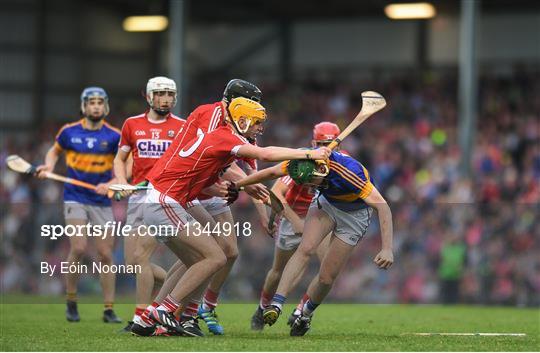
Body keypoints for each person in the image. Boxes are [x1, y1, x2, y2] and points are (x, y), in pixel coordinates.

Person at [134, 97, 331, 337]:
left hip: (163, 201)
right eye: (257, 122)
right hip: (164, 202)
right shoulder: (225, 136)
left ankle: (148, 319)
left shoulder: (222, 141)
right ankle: (166, 310)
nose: (261, 127)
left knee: (196, 260)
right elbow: (266, 154)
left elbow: (201, 181)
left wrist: (230, 187)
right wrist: (309, 153)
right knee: (216, 257)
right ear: (243, 119)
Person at [236, 148, 394, 336]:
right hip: (326, 204)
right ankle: (277, 303)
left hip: (355, 215)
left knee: (327, 277)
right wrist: (237, 185)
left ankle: (305, 314)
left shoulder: (349, 173)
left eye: (312, 181)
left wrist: (387, 248)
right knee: (306, 248)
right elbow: (270, 173)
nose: (308, 185)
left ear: (322, 169)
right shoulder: (301, 161)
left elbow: (383, 207)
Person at [158, 78, 269, 335]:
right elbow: (216, 156)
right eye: (252, 103)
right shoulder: (211, 114)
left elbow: (255, 172)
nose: (255, 110)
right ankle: (167, 313)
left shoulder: (244, 121)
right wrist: (246, 182)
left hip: (215, 188)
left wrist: (263, 213)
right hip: (195, 185)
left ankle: (195, 308)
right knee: (204, 256)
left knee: (227, 252)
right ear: (233, 100)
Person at [37, 87, 122, 323]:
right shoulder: (69, 132)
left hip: (101, 199)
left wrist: (113, 182)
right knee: (80, 248)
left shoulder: (114, 136)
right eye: (91, 102)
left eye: (99, 102)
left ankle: (108, 309)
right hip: (75, 196)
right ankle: (71, 301)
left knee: (105, 253)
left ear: (105, 107)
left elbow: (125, 165)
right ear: (84, 106)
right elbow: (54, 153)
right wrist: (48, 167)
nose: (95, 106)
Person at [250, 122, 341, 331]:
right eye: (322, 143)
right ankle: (262, 307)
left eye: (331, 143)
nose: (327, 147)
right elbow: (276, 193)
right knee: (278, 270)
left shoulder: (340, 163)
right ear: (313, 143)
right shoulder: (302, 160)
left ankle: (301, 312)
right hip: (292, 216)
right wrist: (294, 220)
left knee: (327, 269)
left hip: (320, 217)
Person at [113, 76, 186, 332]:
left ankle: (140, 317)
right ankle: (170, 295)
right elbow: (119, 159)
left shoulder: (182, 126)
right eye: (160, 93)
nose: (165, 98)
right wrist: (122, 180)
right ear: (148, 97)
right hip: (137, 196)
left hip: (162, 196)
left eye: (169, 94)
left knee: (141, 257)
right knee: (131, 262)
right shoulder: (132, 124)